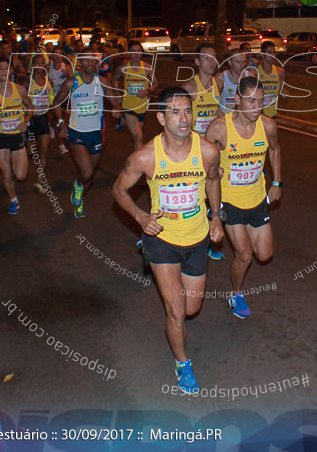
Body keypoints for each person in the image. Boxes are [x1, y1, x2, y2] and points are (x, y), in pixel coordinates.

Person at [111, 87, 223, 394]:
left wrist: (216, 216)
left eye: (188, 111)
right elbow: (119, 191)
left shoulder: (208, 151)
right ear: (160, 118)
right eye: (174, 112)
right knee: (175, 310)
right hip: (162, 239)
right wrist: (140, 217)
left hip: (197, 237)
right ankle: (183, 363)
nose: (183, 119)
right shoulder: (145, 156)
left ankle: (179, 332)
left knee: (191, 309)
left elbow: (213, 179)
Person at [204, 76, 281, 319]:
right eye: (250, 101)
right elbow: (204, 158)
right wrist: (214, 169)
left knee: (265, 255)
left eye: (260, 102)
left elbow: (275, 149)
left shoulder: (268, 125)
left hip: (257, 198)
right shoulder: (219, 127)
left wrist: (277, 182)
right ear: (237, 100)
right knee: (244, 255)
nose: (256, 107)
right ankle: (236, 294)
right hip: (229, 200)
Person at [53, 47, 108, 218]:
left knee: (88, 175)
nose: (91, 63)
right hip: (76, 132)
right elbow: (56, 103)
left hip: (97, 133)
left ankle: (79, 197)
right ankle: (78, 187)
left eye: (93, 60)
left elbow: (115, 97)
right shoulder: (72, 83)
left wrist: (117, 111)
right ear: (80, 62)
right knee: (88, 173)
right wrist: (61, 123)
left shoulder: (103, 82)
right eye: (87, 60)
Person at [183, 43, 224, 260]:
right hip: (194, 148)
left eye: (214, 57)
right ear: (197, 62)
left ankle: (208, 238)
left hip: (212, 148)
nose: (211, 62)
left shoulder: (218, 83)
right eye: (206, 58)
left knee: (213, 194)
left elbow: (217, 112)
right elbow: (182, 122)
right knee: (196, 197)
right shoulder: (190, 88)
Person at [0, 58, 32, 215]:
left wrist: (27, 121)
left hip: (17, 136)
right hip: (0, 137)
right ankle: (13, 200)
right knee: (6, 173)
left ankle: (12, 189)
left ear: (11, 71)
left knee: (21, 175)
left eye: (6, 68)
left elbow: (30, 107)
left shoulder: (20, 90)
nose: (3, 71)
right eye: (0, 68)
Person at [114, 40, 155, 150]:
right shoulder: (123, 69)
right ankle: (138, 165)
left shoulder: (147, 68)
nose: (136, 54)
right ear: (129, 52)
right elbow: (114, 79)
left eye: (138, 51)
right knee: (139, 136)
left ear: (141, 52)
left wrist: (147, 91)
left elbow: (155, 84)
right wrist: (118, 95)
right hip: (128, 106)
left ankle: (123, 123)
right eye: (133, 51)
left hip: (142, 107)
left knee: (135, 136)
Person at [26, 57, 58, 194]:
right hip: (30, 119)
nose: (39, 65)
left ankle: (40, 180)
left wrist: (51, 115)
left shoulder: (48, 81)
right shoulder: (28, 81)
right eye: (36, 63)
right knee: (31, 151)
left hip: (43, 117)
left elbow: (50, 99)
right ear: (32, 65)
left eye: (41, 63)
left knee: (44, 149)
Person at [217, 47, 257, 113]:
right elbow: (214, 105)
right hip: (225, 118)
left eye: (243, 62)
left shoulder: (250, 77)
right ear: (229, 62)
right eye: (238, 62)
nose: (241, 65)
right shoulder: (220, 78)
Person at [255, 41, 284, 117]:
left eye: (274, 52)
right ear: (263, 54)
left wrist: (283, 92)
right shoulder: (255, 72)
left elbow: (280, 91)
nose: (273, 55)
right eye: (269, 52)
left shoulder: (280, 72)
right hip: (258, 116)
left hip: (273, 114)